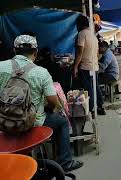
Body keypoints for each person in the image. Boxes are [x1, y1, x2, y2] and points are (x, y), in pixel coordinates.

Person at [0, 34, 83, 172]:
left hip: (3, 122)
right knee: (61, 122)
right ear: (35, 52)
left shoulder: (1, 67)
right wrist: (52, 108)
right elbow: (53, 102)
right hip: (32, 123)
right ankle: (65, 162)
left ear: (14, 51)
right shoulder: (41, 72)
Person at [73, 15, 106, 115]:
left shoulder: (82, 34)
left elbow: (80, 52)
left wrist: (75, 67)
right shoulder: (93, 36)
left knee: (88, 88)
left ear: (79, 24)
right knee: (95, 87)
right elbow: (96, 53)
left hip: (85, 66)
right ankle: (101, 107)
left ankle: (90, 109)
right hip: (94, 66)